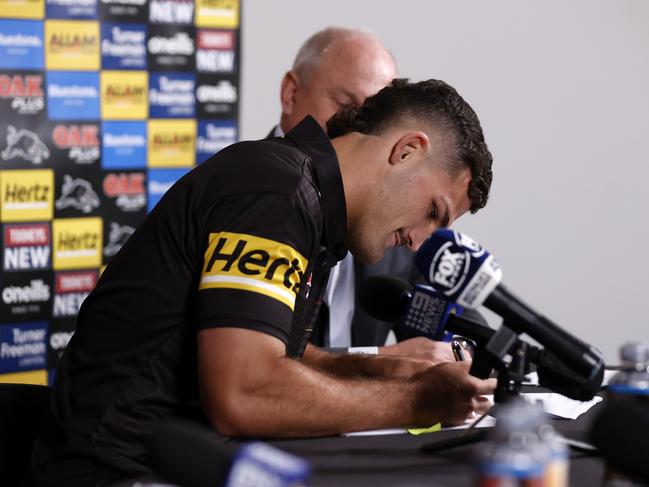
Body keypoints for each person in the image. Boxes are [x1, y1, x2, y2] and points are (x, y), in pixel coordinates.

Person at [33, 78, 495, 486]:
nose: (418, 242)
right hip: (117, 471)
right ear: (407, 149)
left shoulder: (308, 201)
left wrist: (380, 366)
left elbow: (271, 354)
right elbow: (244, 393)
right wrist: (419, 400)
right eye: (432, 212)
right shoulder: (275, 192)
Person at [272, 27, 455, 362]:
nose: (361, 131)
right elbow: (262, 364)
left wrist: (460, 352)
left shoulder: (405, 220)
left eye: (378, 118)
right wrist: (380, 362)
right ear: (291, 93)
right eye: (346, 105)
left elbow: (453, 335)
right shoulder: (262, 193)